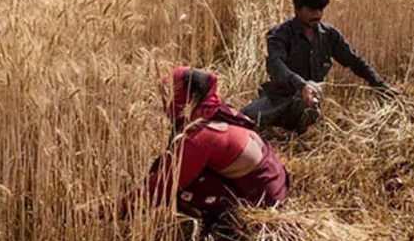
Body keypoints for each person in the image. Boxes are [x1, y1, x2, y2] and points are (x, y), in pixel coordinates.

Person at [124, 66, 290, 226]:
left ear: (186, 99)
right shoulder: (217, 112)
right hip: (276, 184)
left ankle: (225, 226)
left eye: (169, 96)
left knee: (184, 190)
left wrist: (110, 210)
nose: (164, 103)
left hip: (265, 202)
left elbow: (162, 187)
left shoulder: (199, 138)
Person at [243, 0, 390, 133]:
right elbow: (276, 65)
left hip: (310, 102)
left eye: (320, 9)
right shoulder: (279, 34)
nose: (317, 15)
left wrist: (380, 85)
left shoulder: (329, 35)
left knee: (309, 108)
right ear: (297, 9)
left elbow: (354, 61)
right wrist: (301, 85)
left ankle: (298, 129)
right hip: (278, 99)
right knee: (245, 119)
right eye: (312, 10)